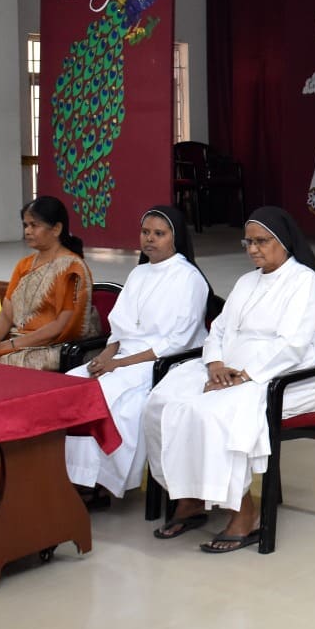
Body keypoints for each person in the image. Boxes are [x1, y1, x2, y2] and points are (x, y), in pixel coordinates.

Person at [143, 206, 315, 553]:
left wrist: (244, 376)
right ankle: (189, 497)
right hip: (228, 368)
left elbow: (293, 346)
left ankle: (243, 512)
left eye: (261, 241)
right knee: (161, 402)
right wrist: (215, 363)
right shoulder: (247, 281)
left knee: (214, 412)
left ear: (284, 242)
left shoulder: (304, 282)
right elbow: (219, 328)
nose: (253, 249)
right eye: (248, 242)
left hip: (279, 376)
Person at [65, 204, 210, 506]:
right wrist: (105, 356)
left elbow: (176, 342)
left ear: (175, 237)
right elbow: (119, 329)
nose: (150, 239)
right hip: (122, 357)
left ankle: (100, 483)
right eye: (145, 232)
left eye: (159, 233)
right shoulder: (138, 272)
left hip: (162, 363)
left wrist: (118, 364)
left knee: (110, 397)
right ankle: (72, 476)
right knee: (71, 384)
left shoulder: (189, 278)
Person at [0, 196, 98, 371]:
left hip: (54, 346)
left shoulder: (71, 269)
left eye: (34, 225)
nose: (27, 231)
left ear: (56, 229)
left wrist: (12, 345)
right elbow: (7, 313)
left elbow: (61, 326)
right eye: (25, 225)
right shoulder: (24, 265)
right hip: (18, 342)